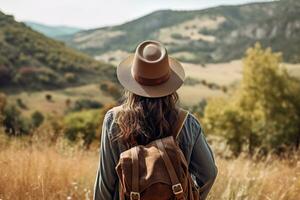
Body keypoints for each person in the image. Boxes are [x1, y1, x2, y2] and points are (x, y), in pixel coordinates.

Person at [93, 40, 218, 200]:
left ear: (132, 84)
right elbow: (209, 174)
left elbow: (105, 183)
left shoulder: (114, 119)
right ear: (169, 84)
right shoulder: (187, 123)